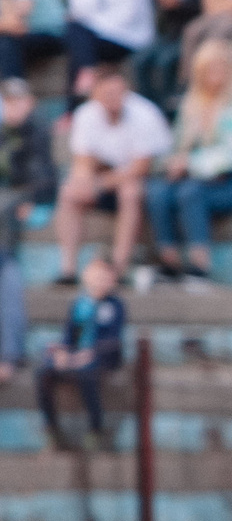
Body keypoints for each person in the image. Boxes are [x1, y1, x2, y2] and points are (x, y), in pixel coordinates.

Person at [145, 43, 232, 284]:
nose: (216, 73)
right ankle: (169, 261)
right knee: (158, 191)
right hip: (195, 177)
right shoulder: (191, 103)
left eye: (221, 67)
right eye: (210, 68)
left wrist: (190, 164)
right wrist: (173, 163)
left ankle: (200, 264)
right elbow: (176, 145)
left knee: (190, 193)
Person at [56, 67, 169, 280]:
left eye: (118, 92)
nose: (114, 99)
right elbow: (83, 160)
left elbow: (141, 167)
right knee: (68, 192)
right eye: (107, 93)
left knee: (130, 192)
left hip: (149, 180)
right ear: (95, 95)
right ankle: (68, 269)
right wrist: (83, 180)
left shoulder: (144, 114)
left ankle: (118, 267)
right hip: (108, 175)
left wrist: (100, 182)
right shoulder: (86, 115)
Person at [37, 257, 126, 449]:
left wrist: (89, 354)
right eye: (96, 276)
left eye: (105, 277)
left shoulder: (115, 306)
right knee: (44, 371)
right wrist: (62, 352)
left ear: (113, 280)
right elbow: (70, 336)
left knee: (87, 373)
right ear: (86, 277)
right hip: (77, 356)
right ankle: (50, 426)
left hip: (102, 357)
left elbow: (113, 340)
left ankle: (96, 426)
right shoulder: (79, 304)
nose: (100, 282)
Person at [0, 76, 56, 374]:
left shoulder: (36, 130)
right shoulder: (5, 132)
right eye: (8, 100)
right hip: (9, 199)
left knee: (8, 275)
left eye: (18, 101)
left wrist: (31, 199)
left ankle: (10, 354)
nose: (13, 107)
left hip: (21, 202)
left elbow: (44, 176)